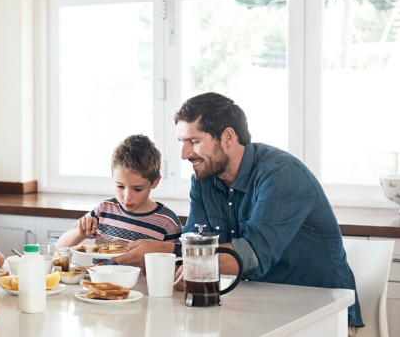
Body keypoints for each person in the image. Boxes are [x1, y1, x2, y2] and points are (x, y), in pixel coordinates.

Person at [113, 92, 363, 331]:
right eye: (182, 143)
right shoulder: (203, 181)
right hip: (259, 307)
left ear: (228, 138)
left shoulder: (281, 174)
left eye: (194, 141)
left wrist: (166, 251)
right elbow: (193, 241)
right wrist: (164, 262)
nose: (184, 154)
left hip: (323, 315)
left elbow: (253, 254)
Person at [56, 134, 182, 256]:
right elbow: (60, 247)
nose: (127, 197)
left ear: (155, 182)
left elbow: (175, 266)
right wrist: (80, 232)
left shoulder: (168, 222)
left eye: (137, 189)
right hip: (101, 278)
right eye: (120, 186)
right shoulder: (104, 209)